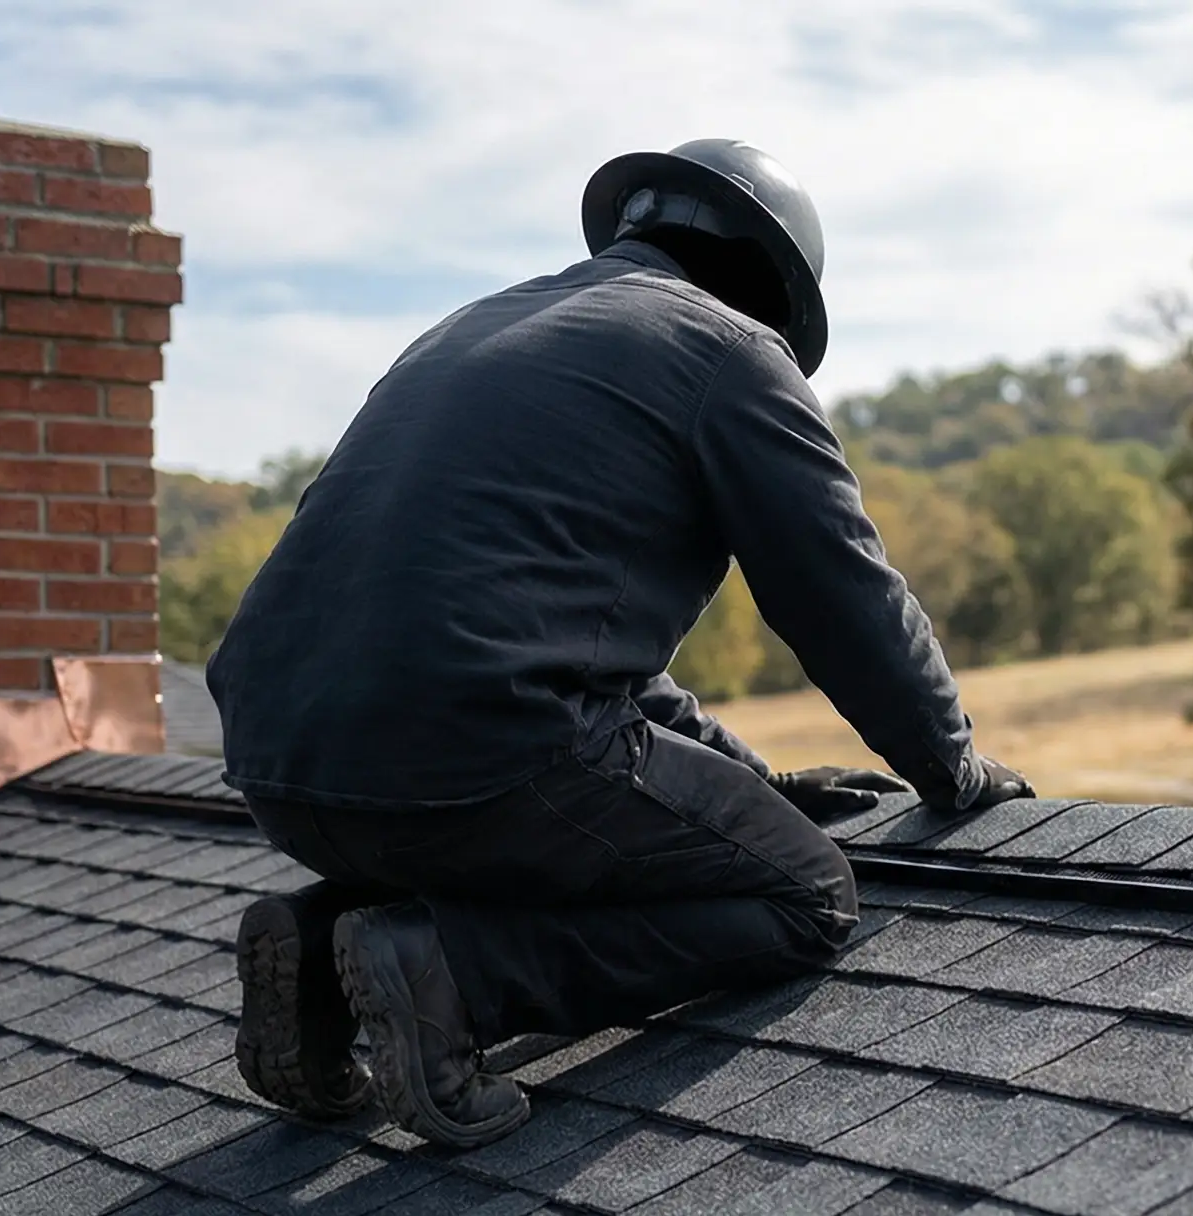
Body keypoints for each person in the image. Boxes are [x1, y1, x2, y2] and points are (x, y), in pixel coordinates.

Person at [206, 140, 1032, 1149]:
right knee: (804, 892)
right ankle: (455, 978)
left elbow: (593, 665)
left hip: (278, 766)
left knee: (536, 804)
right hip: (469, 760)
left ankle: (321, 950)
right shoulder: (728, 353)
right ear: (773, 286)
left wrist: (751, 783)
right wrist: (951, 765)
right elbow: (842, 593)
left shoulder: (471, 328)